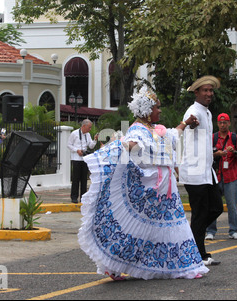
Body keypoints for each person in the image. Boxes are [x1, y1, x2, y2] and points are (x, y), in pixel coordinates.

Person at [78, 86, 208, 280]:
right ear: (147, 112)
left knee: (169, 226)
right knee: (139, 230)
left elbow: (171, 135)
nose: (160, 110)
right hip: (151, 189)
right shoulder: (138, 130)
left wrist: (185, 123)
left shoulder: (153, 129)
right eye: (157, 107)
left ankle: (186, 266)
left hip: (165, 188)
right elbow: (132, 145)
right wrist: (116, 145)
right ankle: (112, 265)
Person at [179, 75, 224, 265]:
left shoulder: (207, 112)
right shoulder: (193, 111)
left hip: (207, 170)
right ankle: (200, 254)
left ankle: (192, 239)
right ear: (196, 92)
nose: (209, 94)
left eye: (211, 90)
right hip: (195, 171)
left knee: (215, 208)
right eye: (205, 90)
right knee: (201, 212)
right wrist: (191, 124)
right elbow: (188, 125)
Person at [205, 113, 237, 240]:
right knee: (213, 205)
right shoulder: (213, 138)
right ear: (217, 124)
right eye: (220, 123)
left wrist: (235, 152)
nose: (223, 125)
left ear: (229, 123)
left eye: (225, 122)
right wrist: (217, 154)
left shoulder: (235, 138)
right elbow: (206, 154)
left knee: (232, 204)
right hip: (216, 175)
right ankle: (210, 231)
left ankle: (234, 230)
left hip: (231, 176)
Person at [67, 119, 98, 203]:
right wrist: (77, 150)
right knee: (75, 179)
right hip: (76, 158)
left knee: (84, 179)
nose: (90, 129)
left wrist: (95, 140)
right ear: (84, 126)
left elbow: (91, 146)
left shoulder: (87, 135)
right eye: (89, 127)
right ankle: (74, 197)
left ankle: (83, 197)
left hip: (85, 159)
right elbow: (69, 145)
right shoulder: (74, 133)